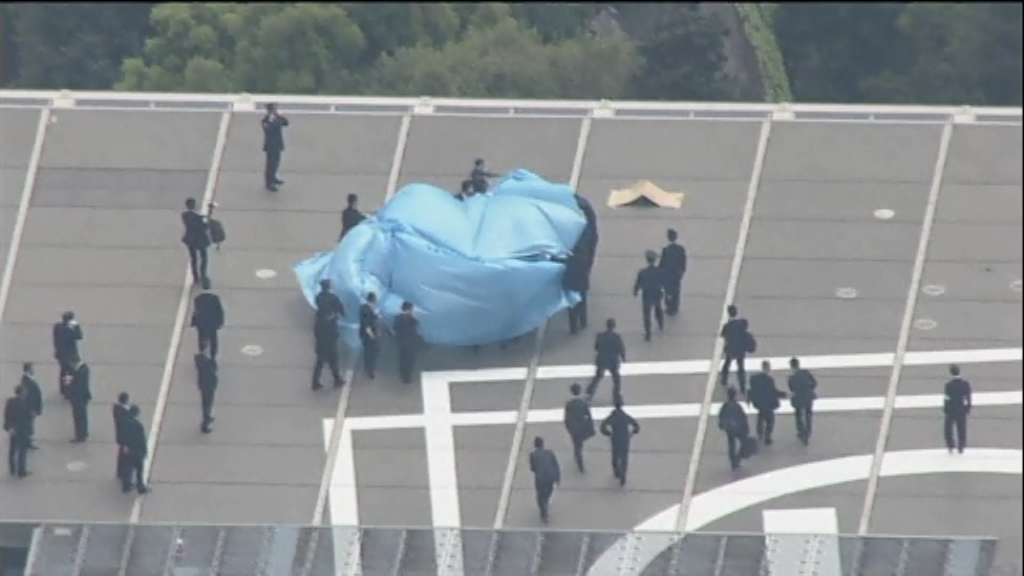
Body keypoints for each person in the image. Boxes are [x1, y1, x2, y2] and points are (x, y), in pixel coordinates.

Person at [600, 396, 640, 486]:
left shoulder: (612, 417)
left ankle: (617, 472)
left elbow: (603, 426)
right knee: (624, 458)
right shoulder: (625, 416)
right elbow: (636, 426)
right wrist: (632, 433)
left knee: (615, 457)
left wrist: (608, 433)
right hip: (625, 439)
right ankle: (623, 476)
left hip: (615, 439)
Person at [586, 318, 626, 401]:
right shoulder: (616, 337)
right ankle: (616, 394)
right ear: (614, 326)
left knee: (598, 376)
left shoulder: (600, 335)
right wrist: (623, 358)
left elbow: (596, 348)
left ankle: (590, 391)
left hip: (601, 359)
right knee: (616, 378)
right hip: (612, 361)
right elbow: (621, 348)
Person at [748, 361, 784, 445]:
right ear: (767, 368)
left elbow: (751, 390)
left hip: (759, 403)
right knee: (770, 421)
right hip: (768, 404)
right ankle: (767, 437)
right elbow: (773, 392)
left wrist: (750, 399)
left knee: (760, 417)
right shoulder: (769, 380)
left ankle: (760, 432)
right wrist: (784, 394)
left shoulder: (754, 379)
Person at [563, 383, 595, 472]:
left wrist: (569, 428)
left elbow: (566, 418)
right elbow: (588, 416)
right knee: (579, 445)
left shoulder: (569, 404)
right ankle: (579, 461)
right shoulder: (583, 403)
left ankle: (578, 460)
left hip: (573, 429)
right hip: (582, 427)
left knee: (577, 446)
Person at [634, 250, 665, 341]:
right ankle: (660, 323)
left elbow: (638, 283)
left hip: (647, 295)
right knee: (658, 309)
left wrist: (635, 291)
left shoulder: (643, 272)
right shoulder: (660, 271)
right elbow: (663, 282)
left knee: (647, 314)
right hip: (657, 293)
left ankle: (648, 333)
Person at [528, 436, 561, 523]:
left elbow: (532, 468)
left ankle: (543, 511)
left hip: (540, 478)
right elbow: (556, 465)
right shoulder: (550, 453)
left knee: (540, 495)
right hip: (550, 477)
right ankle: (545, 502)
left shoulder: (533, 455)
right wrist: (557, 478)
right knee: (548, 492)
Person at [191, 276, 225, 360]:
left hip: (202, 322)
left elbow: (196, 311)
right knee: (213, 338)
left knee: (201, 336)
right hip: (212, 322)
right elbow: (219, 311)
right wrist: (220, 321)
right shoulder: (214, 298)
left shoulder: (198, 299)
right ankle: (213, 354)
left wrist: (193, 321)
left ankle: (202, 350)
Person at [556, 251, 590, 334]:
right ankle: (583, 322)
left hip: (571, 285)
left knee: (572, 307)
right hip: (582, 284)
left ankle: (573, 327)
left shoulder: (568, 260)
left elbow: (559, 262)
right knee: (582, 303)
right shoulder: (583, 259)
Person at [720, 305, 751, 393]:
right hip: (740, 349)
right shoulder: (742, 323)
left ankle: (724, 380)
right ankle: (742, 386)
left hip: (731, 349)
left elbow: (722, 335)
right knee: (741, 367)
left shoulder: (727, 326)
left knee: (727, 364)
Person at [52, 311, 83, 399]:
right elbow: (79, 336)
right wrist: (76, 326)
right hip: (70, 354)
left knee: (63, 371)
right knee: (71, 372)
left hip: (61, 353)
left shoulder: (58, 327)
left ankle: (63, 389)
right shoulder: (69, 330)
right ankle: (68, 390)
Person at [3, 386, 33, 478]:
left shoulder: (11, 402)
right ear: (21, 393)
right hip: (19, 429)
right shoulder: (24, 403)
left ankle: (15, 469)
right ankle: (20, 470)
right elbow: (8, 416)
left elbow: (7, 415)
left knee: (15, 450)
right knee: (20, 451)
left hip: (17, 429)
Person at [718, 386, 749, 470]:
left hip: (729, 429)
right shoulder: (737, 406)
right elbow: (742, 417)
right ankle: (737, 459)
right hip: (738, 428)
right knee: (744, 442)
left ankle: (733, 460)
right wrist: (746, 427)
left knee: (731, 445)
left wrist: (721, 425)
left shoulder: (725, 405)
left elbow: (721, 416)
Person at [787, 357, 818, 445]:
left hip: (798, 399)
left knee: (798, 415)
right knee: (808, 415)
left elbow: (791, 388)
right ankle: (808, 431)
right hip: (808, 397)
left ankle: (801, 431)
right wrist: (810, 388)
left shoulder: (792, 378)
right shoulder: (806, 373)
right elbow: (814, 383)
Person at [943, 364, 972, 454]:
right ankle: (961, 446)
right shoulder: (965, 384)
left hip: (951, 410)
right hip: (961, 409)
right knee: (961, 429)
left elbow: (947, 398)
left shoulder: (948, 385)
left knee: (948, 429)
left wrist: (946, 408)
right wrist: (968, 408)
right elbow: (968, 397)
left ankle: (951, 445)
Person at [181, 198, 211, 284]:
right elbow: (204, 226)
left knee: (193, 258)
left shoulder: (185, 215)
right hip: (200, 239)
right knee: (204, 257)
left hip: (190, 239)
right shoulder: (199, 217)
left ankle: (195, 277)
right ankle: (203, 274)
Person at [121, 405, 149, 494]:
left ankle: (126, 485)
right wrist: (145, 451)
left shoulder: (124, 423)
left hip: (128, 450)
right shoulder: (138, 426)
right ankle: (140, 487)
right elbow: (141, 440)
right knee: (139, 470)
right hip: (137, 451)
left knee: (128, 469)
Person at [658, 229, 687, 316]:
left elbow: (662, 263)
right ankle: (675, 307)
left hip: (668, 274)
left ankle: (669, 307)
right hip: (676, 274)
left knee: (668, 291)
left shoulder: (666, 250)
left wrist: (660, 273)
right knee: (676, 290)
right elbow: (683, 261)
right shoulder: (681, 249)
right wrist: (682, 271)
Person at [262, 103, 289, 192]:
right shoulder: (266, 121)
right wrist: (275, 121)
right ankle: (269, 182)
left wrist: (278, 116)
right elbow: (269, 129)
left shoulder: (276, 118)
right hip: (271, 146)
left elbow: (286, 123)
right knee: (271, 165)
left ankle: (273, 178)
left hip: (277, 144)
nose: (275, 111)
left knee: (276, 163)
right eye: (274, 109)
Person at [313, 313, 344, 390]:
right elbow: (335, 334)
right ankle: (337, 380)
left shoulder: (319, 322)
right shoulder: (331, 324)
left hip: (321, 346)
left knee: (320, 364)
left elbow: (316, 333)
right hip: (330, 347)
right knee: (333, 363)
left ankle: (315, 382)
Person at [393, 301, 421, 385]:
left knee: (402, 359)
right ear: (409, 309)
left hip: (401, 343)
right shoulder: (411, 319)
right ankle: (407, 377)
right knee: (409, 360)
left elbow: (394, 329)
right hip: (410, 343)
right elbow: (415, 325)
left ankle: (403, 375)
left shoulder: (397, 318)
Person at [66, 356, 91, 443]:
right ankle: (83, 433)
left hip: (79, 398)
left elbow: (78, 386)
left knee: (79, 417)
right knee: (82, 416)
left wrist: (69, 383)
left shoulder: (82, 371)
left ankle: (80, 435)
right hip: (82, 397)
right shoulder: (83, 369)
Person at [195, 341, 218, 433]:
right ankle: (205, 422)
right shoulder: (205, 361)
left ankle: (207, 417)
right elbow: (213, 369)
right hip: (207, 385)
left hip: (204, 384)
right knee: (207, 404)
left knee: (206, 403)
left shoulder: (199, 359)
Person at [19, 363, 41, 449]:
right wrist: (32, 408)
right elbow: (30, 396)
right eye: (32, 368)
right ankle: (28, 441)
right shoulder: (27, 381)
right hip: (30, 408)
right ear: (28, 369)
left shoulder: (28, 380)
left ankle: (28, 440)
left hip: (31, 407)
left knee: (29, 424)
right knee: (29, 424)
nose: (33, 370)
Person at [360, 292, 381, 380]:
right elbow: (366, 324)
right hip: (369, 335)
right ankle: (370, 371)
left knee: (369, 352)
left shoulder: (366, 308)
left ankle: (368, 368)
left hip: (369, 333)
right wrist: (371, 334)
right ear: (373, 300)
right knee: (371, 353)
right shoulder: (367, 309)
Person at [112, 392, 131, 480]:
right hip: (125, 437)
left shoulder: (116, 409)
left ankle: (120, 472)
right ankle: (123, 473)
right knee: (125, 455)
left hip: (121, 436)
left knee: (121, 454)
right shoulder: (123, 412)